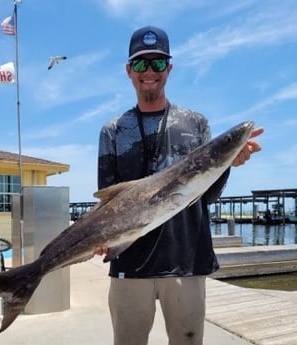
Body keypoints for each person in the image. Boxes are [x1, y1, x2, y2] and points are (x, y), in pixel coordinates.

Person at [95, 26, 263, 345]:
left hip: (187, 262)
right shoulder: (113, 130)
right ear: (129, 70)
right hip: (129, 264)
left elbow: (206, 195)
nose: (149, 71)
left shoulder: (196, 123)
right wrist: (100, 237)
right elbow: (108, 199)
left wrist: (230, 162)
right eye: (141, 63)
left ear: (169, 69)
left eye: (158, 63)